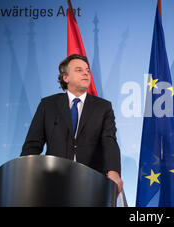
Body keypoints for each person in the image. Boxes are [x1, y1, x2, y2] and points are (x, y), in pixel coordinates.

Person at [21, 54, 123, 192]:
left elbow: (109, 141)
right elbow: (33, 144)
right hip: (54, 181)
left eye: (87, 70)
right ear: (66, 77)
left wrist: (113, 172)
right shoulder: (48, 105)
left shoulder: (103, 107)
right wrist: (24, 173)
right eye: (79, 70)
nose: (86, 73)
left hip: (91, 181)